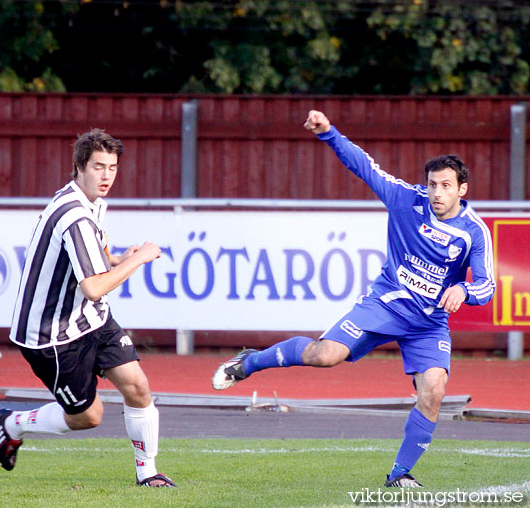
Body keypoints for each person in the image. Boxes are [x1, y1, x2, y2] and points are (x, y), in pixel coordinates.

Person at [212, 110, 495, 488]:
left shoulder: (474, 231)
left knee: (434, 391)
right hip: (386, 304)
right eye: (432, 185)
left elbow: (487, 285)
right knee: (324, 356)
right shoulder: (405, 200)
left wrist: (465, 289)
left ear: (462, 189)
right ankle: (251, 361)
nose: (437, 193)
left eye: (446, 186)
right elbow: (365, 166)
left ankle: (399, 475)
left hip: (428, 322)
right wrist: (328, 133)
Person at [0, 128, 176, 488]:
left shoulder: (90, 202)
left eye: (112, 167)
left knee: (137, 386)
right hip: (51, 336)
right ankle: (12, 423)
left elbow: (98, 247)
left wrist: (116, 257)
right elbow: (93, 287)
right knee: (88, 416)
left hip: (90, 319)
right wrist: (136, 260)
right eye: (98, 167)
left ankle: (147, 473)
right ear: (79, 166)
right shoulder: (73, 214)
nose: (106, 176)